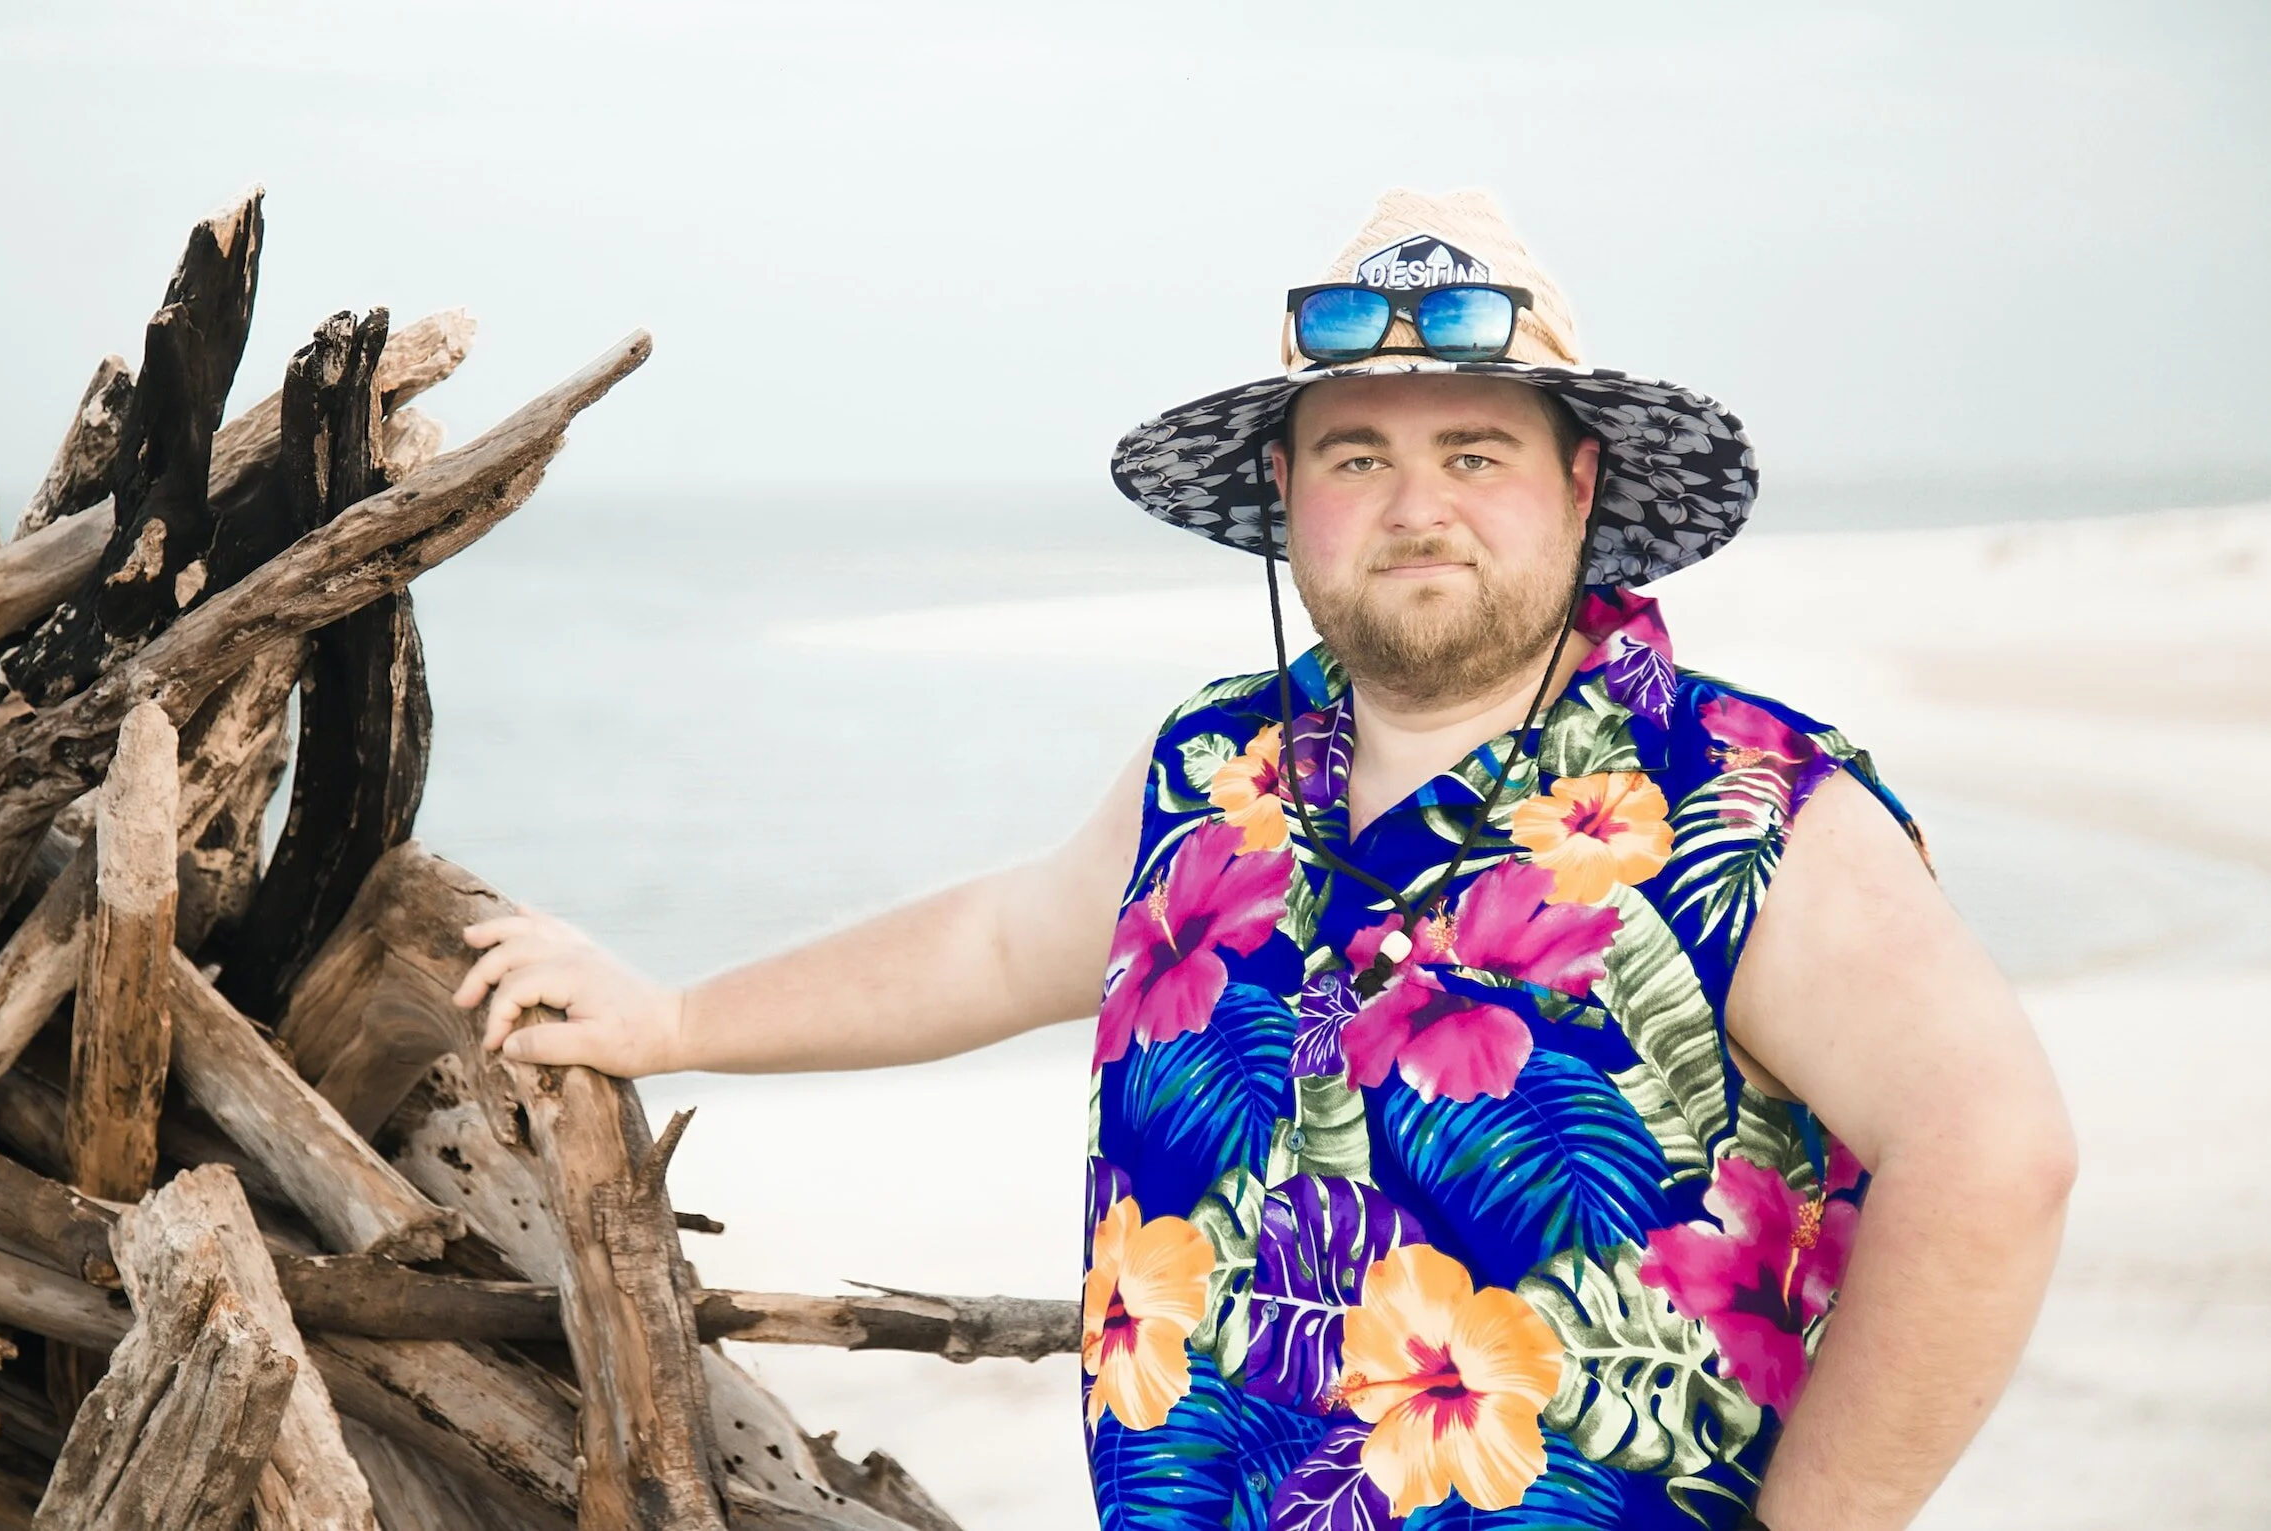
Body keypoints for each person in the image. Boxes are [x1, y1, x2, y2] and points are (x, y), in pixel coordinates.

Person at [454, 190, 2076, 1530]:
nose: (1416, 505)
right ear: (1286, 495)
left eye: (1476, 452)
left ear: (1580, 485)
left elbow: (1995, 1156)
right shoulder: (1213, 767)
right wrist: (675, 1018)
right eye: (1359, 454)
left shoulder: (1747, 796)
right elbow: (997, 941)